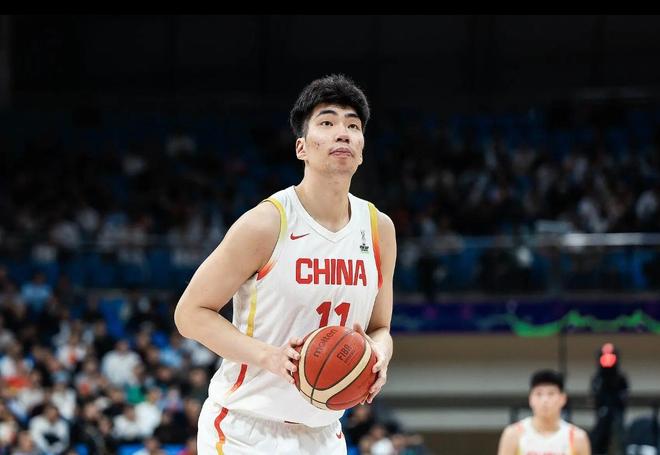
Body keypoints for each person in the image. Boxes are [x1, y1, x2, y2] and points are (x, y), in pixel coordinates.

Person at [174, 74, 396, 455]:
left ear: (361, 149)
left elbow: (380, 328)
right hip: (245, 429)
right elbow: (189, 314)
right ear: (301, 148)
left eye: (353, 126)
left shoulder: (379, 229)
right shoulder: (267, 223)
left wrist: (379, 356)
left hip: (324, 434)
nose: (342, 133)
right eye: (327, 122)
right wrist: (270, 357)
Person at [497, 369, 591, 455]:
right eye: (539, 394)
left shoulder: (577, 437)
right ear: (530, 399)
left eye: (551, 394)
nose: (545, 400)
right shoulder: (514, 434)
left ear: (563, 399)